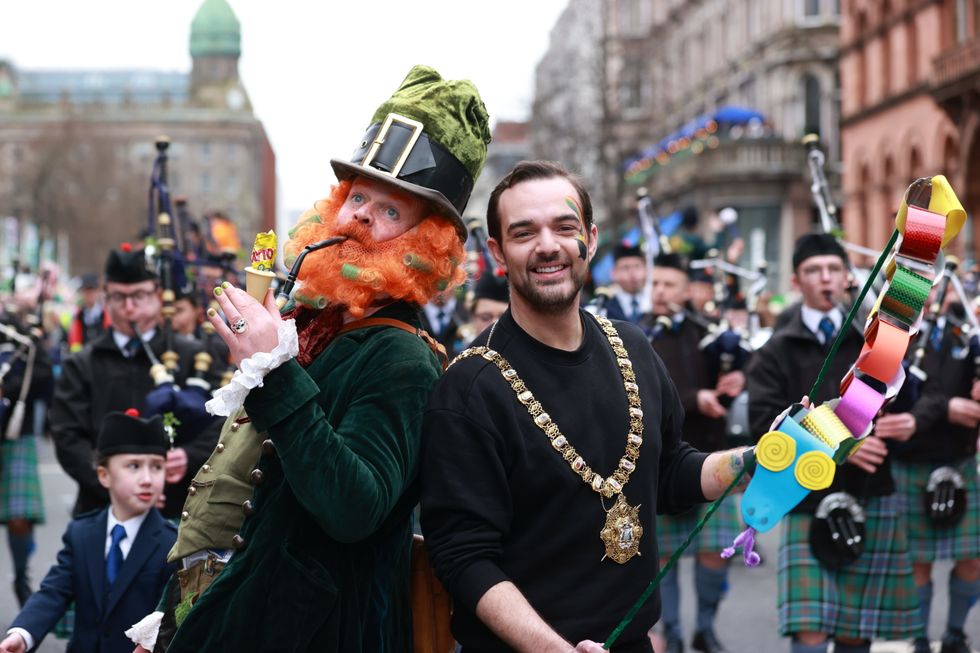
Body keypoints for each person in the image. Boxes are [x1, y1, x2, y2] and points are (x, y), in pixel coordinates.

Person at [148, 64, 489, 653]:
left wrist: (273, 374)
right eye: (357, 196)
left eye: (390, 211)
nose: (359, 216)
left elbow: (354, 507)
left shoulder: (402, 358)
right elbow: (228, 493)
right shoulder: (313, 323)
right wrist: (168, 616)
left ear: (426, 243)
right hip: (228, 611)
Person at [419, 160, 756, 653]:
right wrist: (552, 648)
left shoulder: (634, 348)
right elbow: (463, 555)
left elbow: (670, 474)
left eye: (564, 227)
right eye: (524, 232)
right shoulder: (470, 387)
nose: (548, 245)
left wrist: (755, 457)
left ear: (590, 239)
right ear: (496, 253)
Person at [746, 234, 922, 653]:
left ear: (848, 278)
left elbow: (905, 398)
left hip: (870, 497)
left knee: (855, 630)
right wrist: (846, 449)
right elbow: (764, 426)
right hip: (805, 499)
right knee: (809, 629)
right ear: (795, 280)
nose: (824, 278)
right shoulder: (775, 351)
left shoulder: (873, 341)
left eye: (833, 269)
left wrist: (907, 420)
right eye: (812, 271)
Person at [48, 244, 222, 519]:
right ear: (107, 298)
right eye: (119, 297)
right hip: (101, 510)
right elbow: (68, 437)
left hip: (178, 510)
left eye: (139, 295)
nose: (129, 307)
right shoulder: (82, 364)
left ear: (157, 294)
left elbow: (222, 420)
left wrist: (189, 455)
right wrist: (115, 486)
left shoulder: (193, 356)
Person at [0, 409, 177, 653]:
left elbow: (171, 615)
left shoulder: (173, 543)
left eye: (157, 467)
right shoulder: (82, 533)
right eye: (133, 466)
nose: (147, 479)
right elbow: (55, 591)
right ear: (104, 475)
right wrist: (22, 633)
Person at [645, 253, 745, 653]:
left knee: (714, 555)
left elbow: (734, 371)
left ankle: (705, 626)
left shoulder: (705, 333)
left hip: (710, 456)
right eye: (656, 284)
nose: (660, 292)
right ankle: (671, 632)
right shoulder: (636, 333)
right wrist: (693, 397)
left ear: (687, 292)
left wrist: (738, 374)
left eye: (669, 285)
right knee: (662, 561)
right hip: (659, 463)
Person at [878, 298, 980, 653]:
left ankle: (954, 633)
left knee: (973, 558)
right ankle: (919, 637)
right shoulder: (887, 333)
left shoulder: (962, 334)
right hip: (912, 459)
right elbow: (898, 397)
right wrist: (946, 408)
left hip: (958, 458)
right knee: (917, 564)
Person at [0, 307, 54, 608]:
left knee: (19, 520)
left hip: (12, 435)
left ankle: (21, 577)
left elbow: (44, 375)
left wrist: (6, 389)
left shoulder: (15, 331)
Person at [604, 244, 650, 324]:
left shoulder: (655, 304)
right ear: (613, 273)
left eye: (637, 266)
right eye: (625, 267)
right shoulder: (605, 308)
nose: (632, 273)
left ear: (646, 270)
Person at [67, 273, 108, 353]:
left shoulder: (106, 315)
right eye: (86, 291)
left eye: (92, 291)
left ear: (98, 291)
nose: (89, 295)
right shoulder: (77, 316)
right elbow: (73, 343)